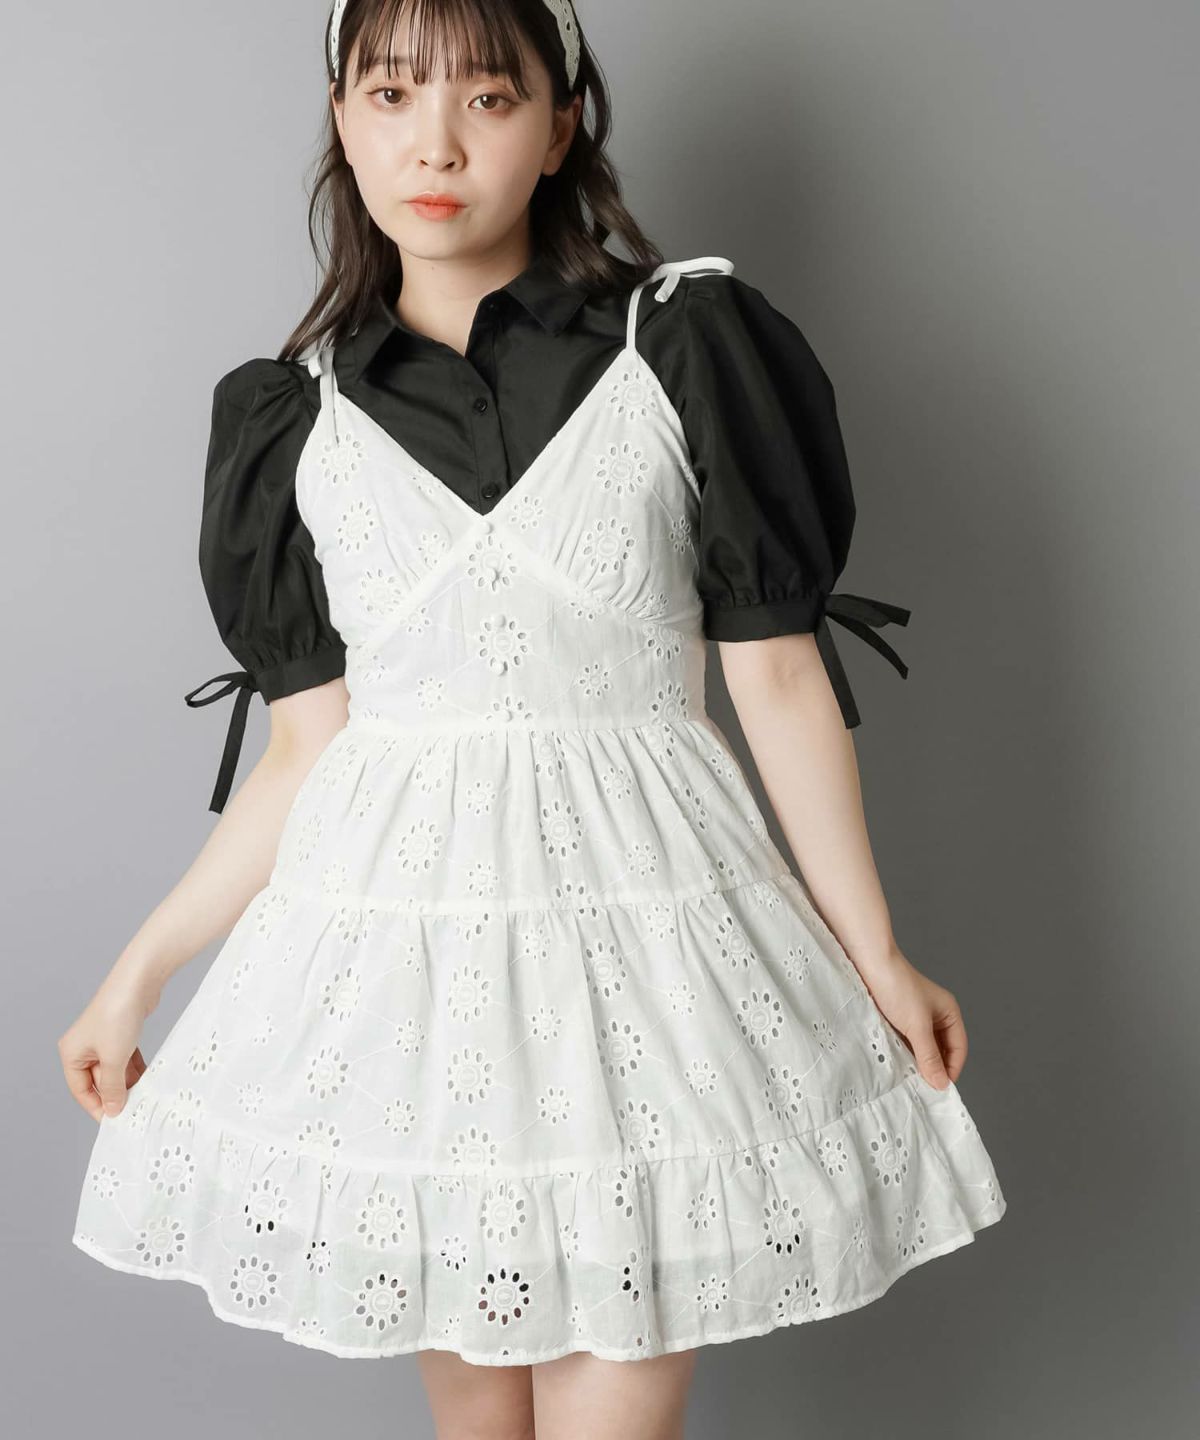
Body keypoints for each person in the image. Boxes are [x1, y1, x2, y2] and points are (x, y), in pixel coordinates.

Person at [60, 1, 1006, 1435]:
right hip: (412, 982)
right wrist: (137, 978)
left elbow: (774, 675)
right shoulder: (288, 419)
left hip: (649, 959)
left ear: (561, 127)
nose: (434, 143)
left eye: (488, 99)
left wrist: (874, 950)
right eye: (392, 95)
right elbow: (309, 751)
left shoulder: (681, 343)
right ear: (342, 120)